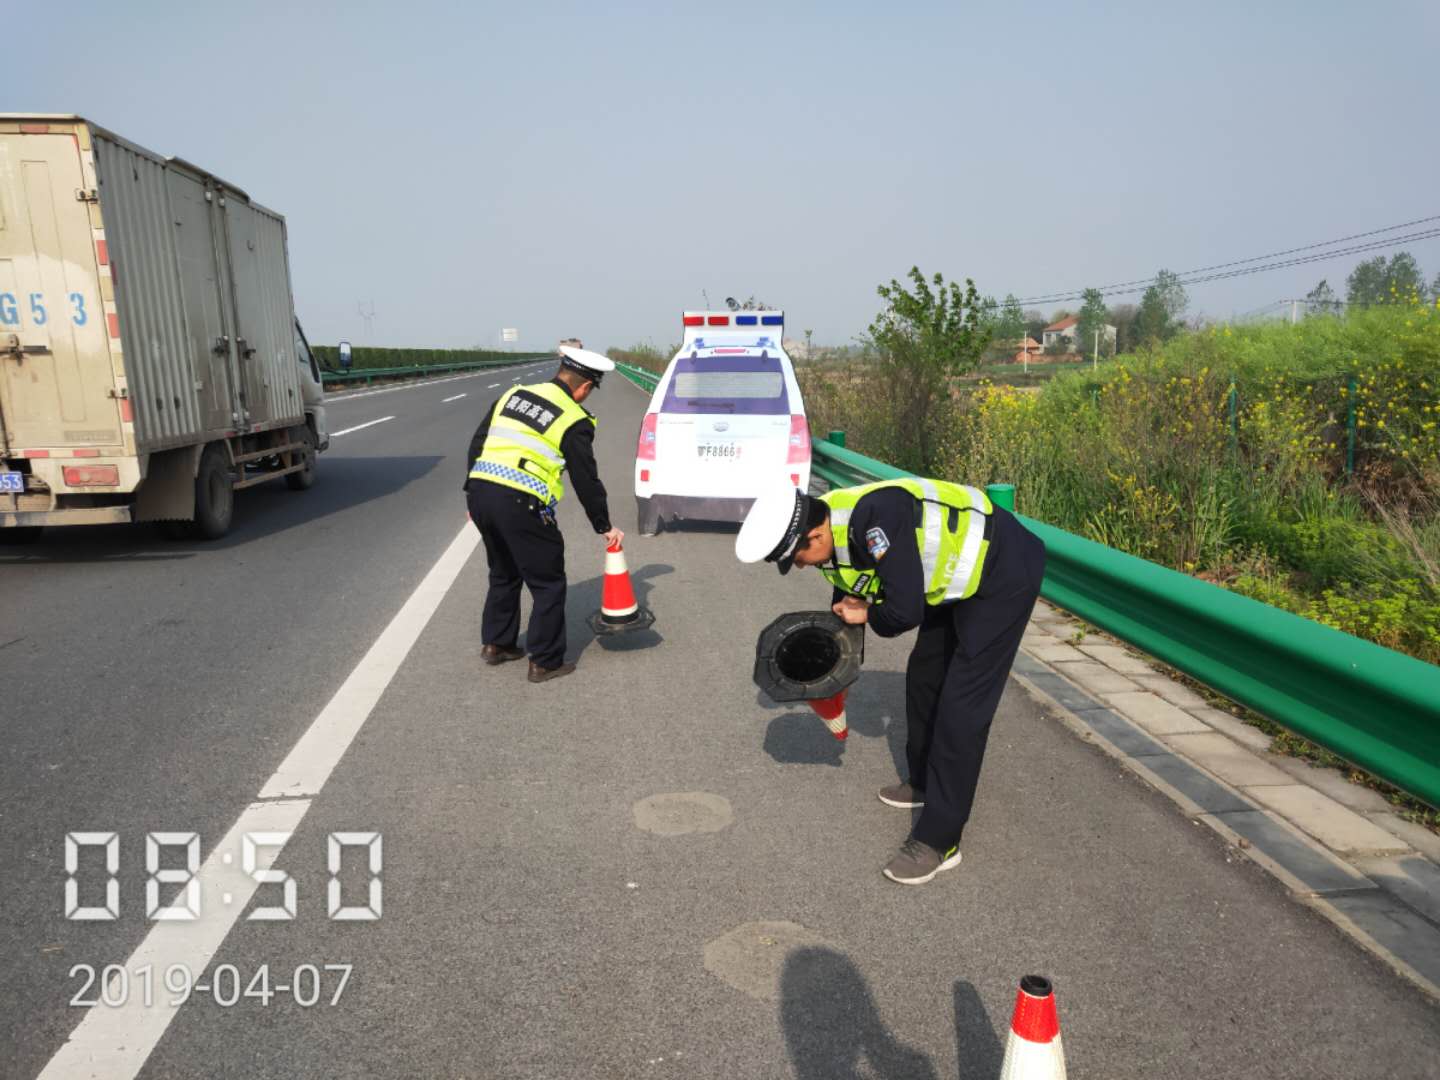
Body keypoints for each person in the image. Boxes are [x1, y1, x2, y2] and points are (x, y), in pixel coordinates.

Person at [736, 478, 1045, 885]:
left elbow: (902, 613)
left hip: (1003, 571)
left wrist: (867, 613)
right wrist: (836, 662)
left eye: (797, 558)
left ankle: (940, 839)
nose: (800, 566)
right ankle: (922, 782)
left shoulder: (875, 520)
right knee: (924, 679)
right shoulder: (829, 522)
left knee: (962, 710)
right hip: (950, 581)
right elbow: (849, 591)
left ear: (815, 534)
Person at [465, 343, 623, 683]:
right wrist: (604, 525)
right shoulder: (574, 418)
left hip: (482, 492)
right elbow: (585, 478)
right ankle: (545, 661)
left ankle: (497, 644)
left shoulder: (514, 394)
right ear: (585, 386)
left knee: (503, 571)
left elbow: (478, 442)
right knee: (548, 582)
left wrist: (471, 493)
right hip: (521, 502)